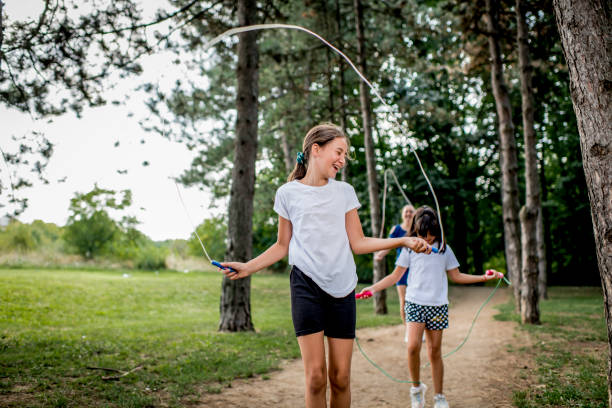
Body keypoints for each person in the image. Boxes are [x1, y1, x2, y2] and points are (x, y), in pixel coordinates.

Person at [217, 123, 431, 408]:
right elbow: (282, 245)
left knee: (340, 377)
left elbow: (359, 242)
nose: (342, 159)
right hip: (305, 286)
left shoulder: (344, 192)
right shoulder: (287, 193)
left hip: (342, 289)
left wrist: (402, 242)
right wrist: (248, 267)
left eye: (345, 154)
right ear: (316, 150)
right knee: (315, 378)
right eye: (338, 151)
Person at [357, 206, 504, 408]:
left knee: (434, 351)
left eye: (430, 234)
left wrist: (483, 277)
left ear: (437, 230)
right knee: (412, 347)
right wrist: (372, 289)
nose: (426, 239)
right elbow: (395, 276)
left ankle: (439, 397)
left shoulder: (444, 248)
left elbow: (457, 276)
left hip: (437, 306)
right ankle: (416, 389)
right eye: (422, 234)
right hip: (415, 303)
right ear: (415, 230)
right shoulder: (410, 248)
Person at [374, 204, 416, 340]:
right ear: (402, 214)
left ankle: (419, 329)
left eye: (411, 211)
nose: (408, 214)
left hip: (416, 270)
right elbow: (388, 244)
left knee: (417, 299)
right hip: (401, 270)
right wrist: (380, 254)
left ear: (415, 214)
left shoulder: (418, 229)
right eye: (406, 212)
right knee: (403, 301)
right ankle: (408, 330)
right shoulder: (397, 229)